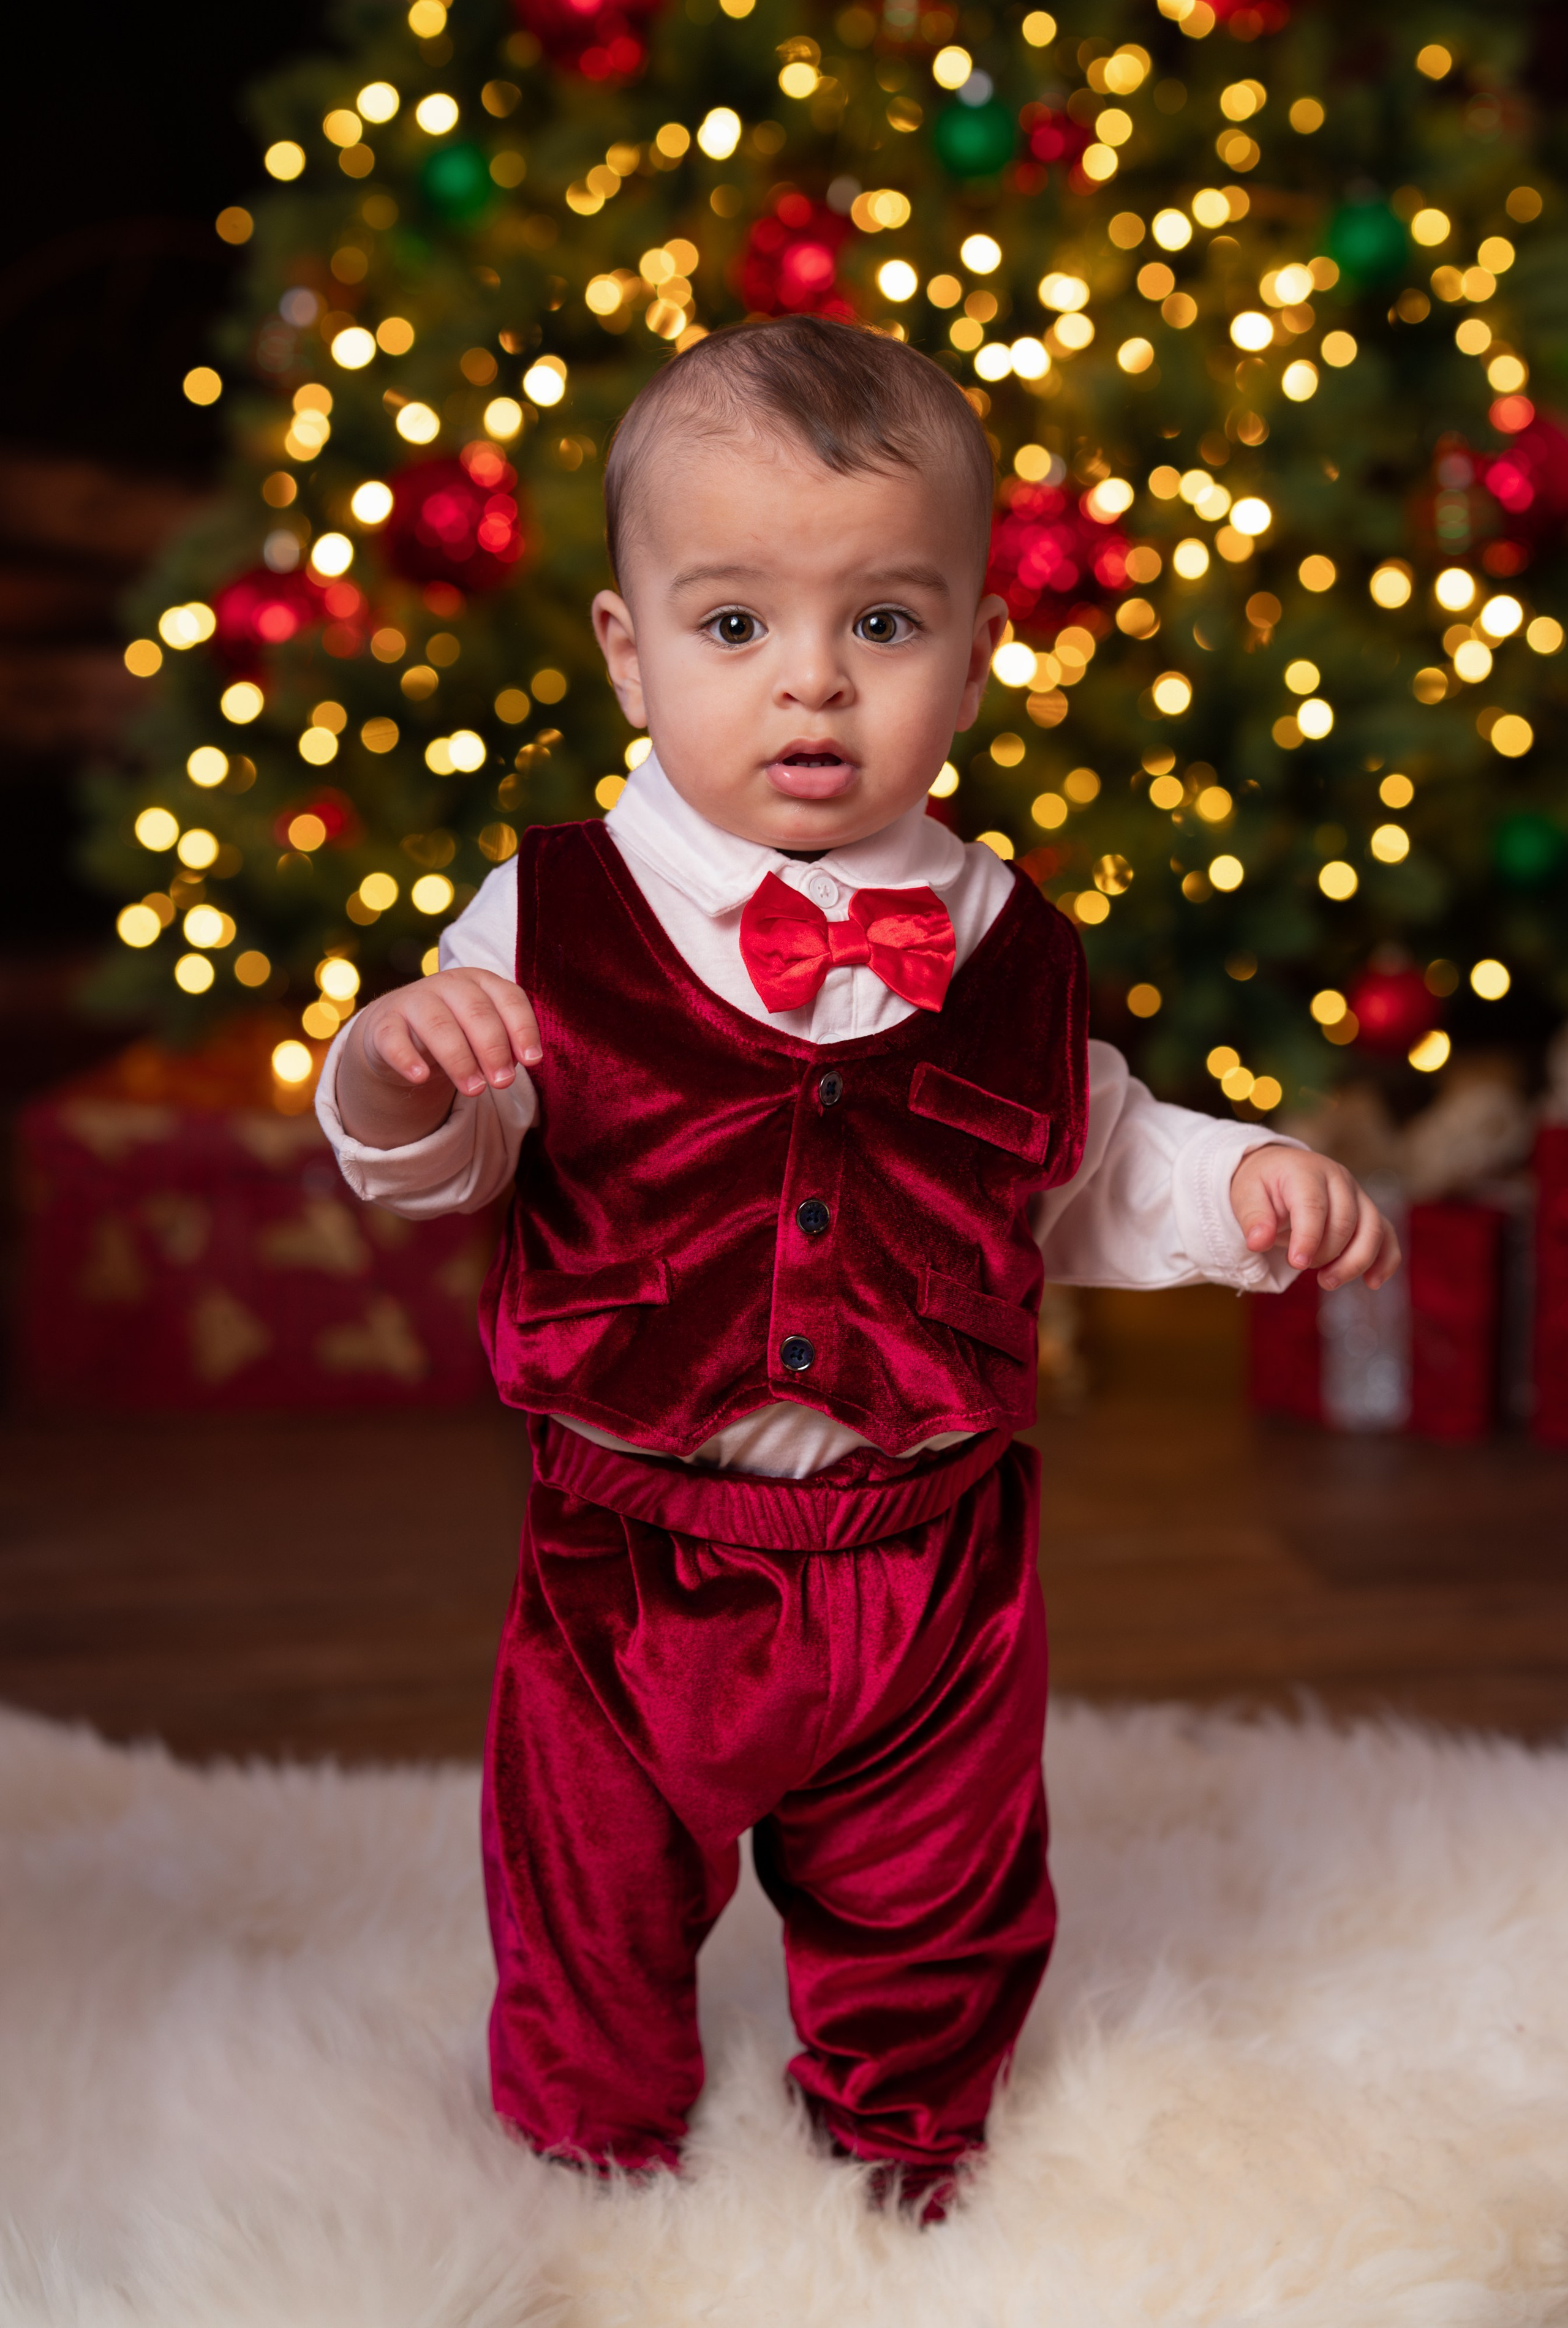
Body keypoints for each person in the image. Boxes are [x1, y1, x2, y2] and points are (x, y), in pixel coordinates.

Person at [318, 316, 1398, 2217]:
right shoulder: (549, 913)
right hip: (629, 1547)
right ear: (629, 650)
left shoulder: (1010, 941)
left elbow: (1092, 1158)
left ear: (975, 653)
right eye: (735, 625)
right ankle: (593, 2155)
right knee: (587, 1876)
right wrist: (401, 1062)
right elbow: (441, 1159)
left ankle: (905, 2160)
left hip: (927, 1553)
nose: (811, 684)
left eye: (882, 626)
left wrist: (1248, 1186)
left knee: (942, 1887)